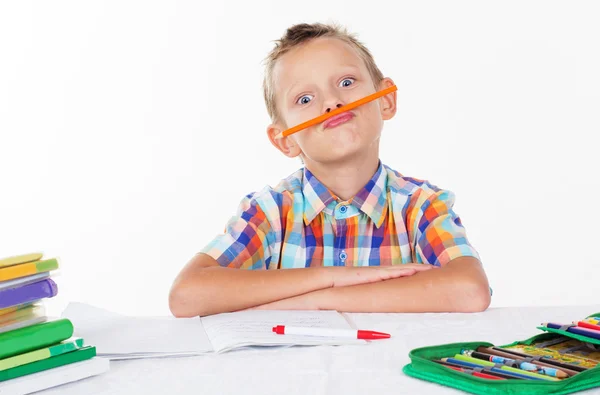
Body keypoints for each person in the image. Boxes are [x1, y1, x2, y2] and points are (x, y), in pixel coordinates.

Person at [169, 22, 491, 317]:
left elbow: (470, 290)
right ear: (284, 141)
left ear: (386, 100)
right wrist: (333, 278)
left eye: (347, 82)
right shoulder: (269, 212)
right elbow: (186, 296)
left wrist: (320, 300)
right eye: (305, 99)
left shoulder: (421, 206)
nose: (332, 103)